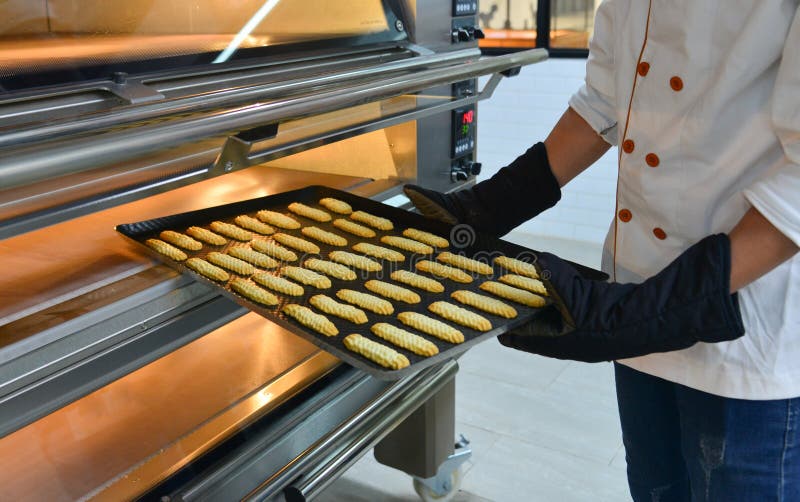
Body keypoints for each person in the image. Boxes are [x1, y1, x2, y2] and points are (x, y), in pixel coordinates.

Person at [404, 1, 800, 500]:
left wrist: (647, 311)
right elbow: (604, 102)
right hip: (636, 310)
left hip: (744, 334)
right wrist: (488, 207)